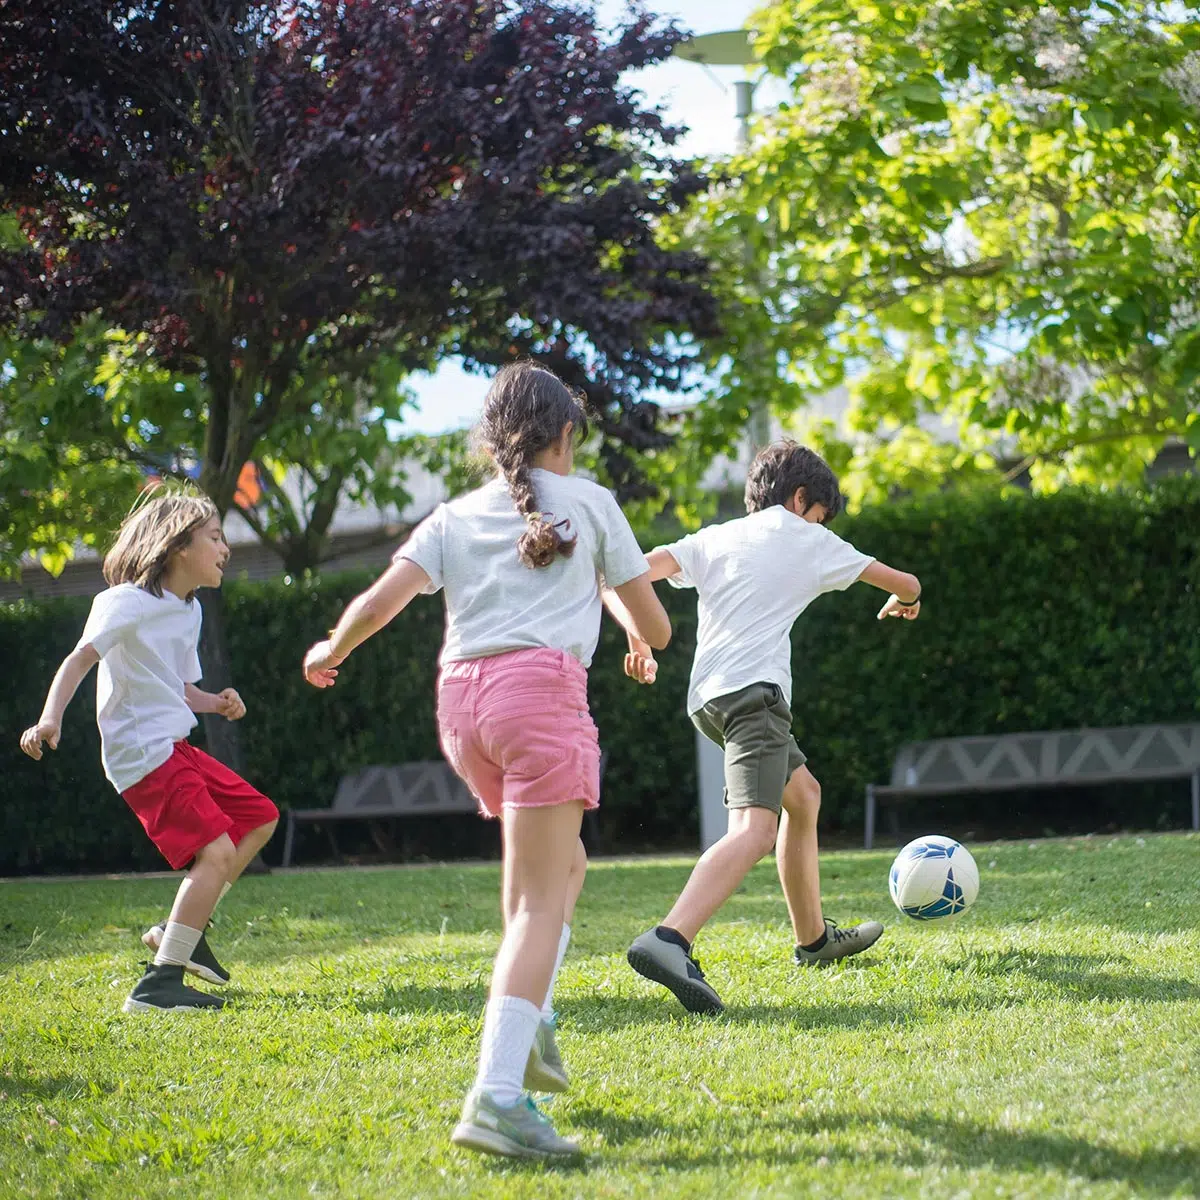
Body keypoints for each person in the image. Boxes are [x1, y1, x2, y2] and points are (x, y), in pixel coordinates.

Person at [302, 361, 670, 1161]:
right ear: (565, 434)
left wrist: (332, 647)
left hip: (463, 710)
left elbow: (381, 602)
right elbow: (658, 626)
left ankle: (529, 1021)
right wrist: (640, 630)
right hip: (538, 700)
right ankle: (499, 1095)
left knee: (555, 870)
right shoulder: (593, 503)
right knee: (545, 900)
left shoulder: (456, 513)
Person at [623, 440, 922, 1014]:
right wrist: (906, 601)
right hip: (754, 697)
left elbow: (640, 570)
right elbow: (904, 581)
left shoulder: (715, 536)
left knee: (803, 796)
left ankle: (813, 940)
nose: (819, 526)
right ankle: (669, 939)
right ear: (802, 498)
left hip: (708, 699)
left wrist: (638, 635)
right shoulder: (808, 536)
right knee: (754, 832)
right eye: (818, 515)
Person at [19, 486, 279, 1013]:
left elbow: (178, 689)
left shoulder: (189, 611)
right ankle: (158, 986)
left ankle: (181, 931)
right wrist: (50, 718)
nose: (226, 548)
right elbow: (79, 660)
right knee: (218, 852)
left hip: (173, 745)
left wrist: (216, 702)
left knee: (258, 816)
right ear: (179, 545)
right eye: (215, 537)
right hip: (141, 753)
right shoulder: (123, 603)